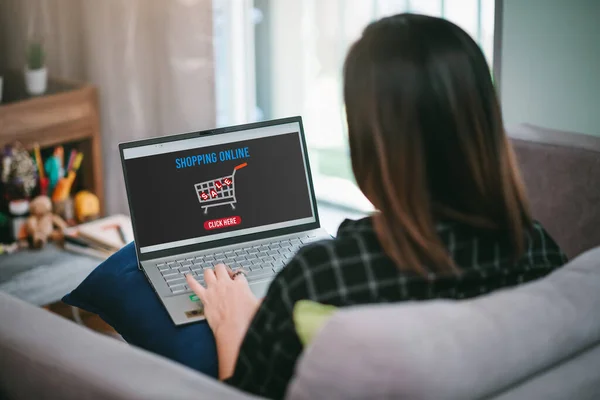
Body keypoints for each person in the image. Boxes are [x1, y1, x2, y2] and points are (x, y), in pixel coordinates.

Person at [185, 13, 567, 400]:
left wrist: (233, 327)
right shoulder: (539, 250)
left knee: (126, 273)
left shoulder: (322, 276)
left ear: (371, 140)